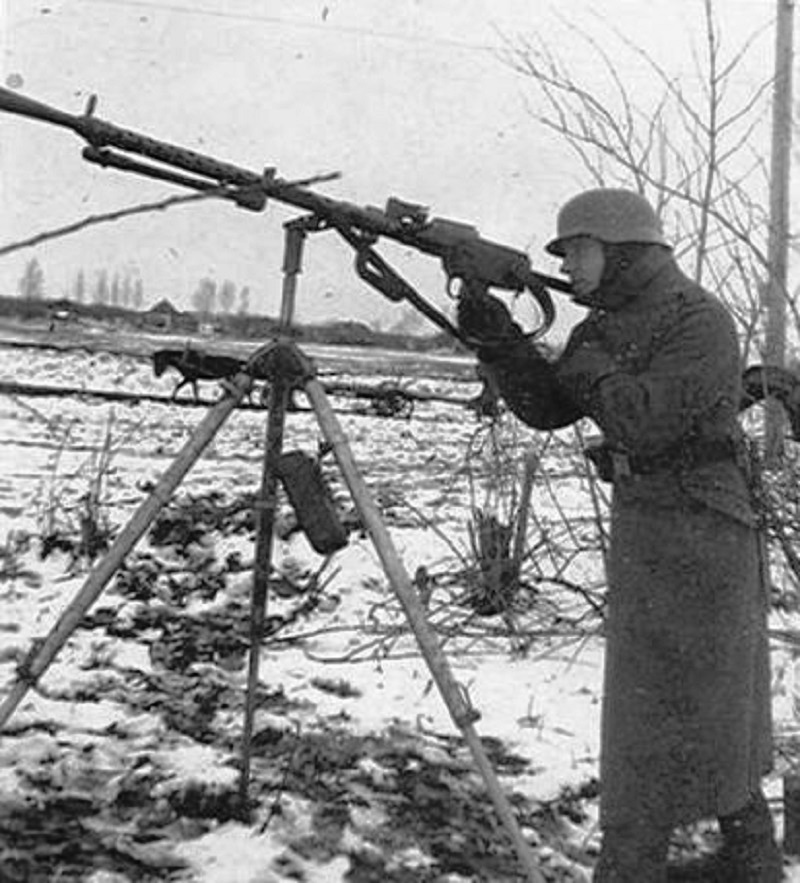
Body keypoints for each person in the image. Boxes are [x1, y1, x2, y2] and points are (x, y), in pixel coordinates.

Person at [456, 188, 780, 881]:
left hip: (707, 534)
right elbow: (549, 407)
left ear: (623, 250)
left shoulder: (699, 320)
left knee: (711, 709)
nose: (567, 266)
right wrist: (499, 340)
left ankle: (718, 860)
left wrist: (590, 364)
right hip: (649, 527)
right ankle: (680, 857)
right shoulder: (602, 326)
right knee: (652, 713)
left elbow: (645, 422)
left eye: (577, 250)